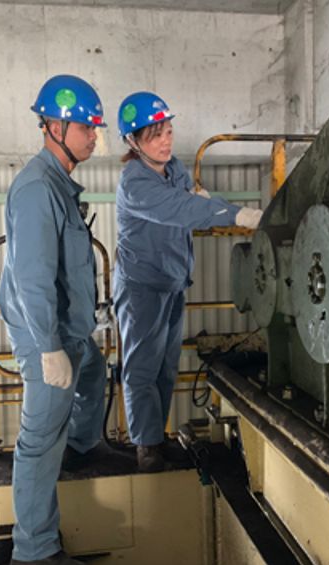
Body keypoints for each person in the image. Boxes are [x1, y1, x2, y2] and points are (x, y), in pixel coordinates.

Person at [113, 91, 263, 473]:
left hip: (172, 279)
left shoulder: (172, 168)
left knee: (165, 366)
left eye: (167, 131)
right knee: (142, 368)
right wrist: (237, 214)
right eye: (154, 136)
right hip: (142, 286)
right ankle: (146, 445)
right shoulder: (134, 183)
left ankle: (157, 437)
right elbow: (181, 208)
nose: (165, 141)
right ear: (133, 141)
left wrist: (202, 198)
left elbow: (189, 196)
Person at [0, 74, 107, 565]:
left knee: (95, 374)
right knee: (40, 438)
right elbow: (33, 277)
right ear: (55, 127)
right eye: (86, 128)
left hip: (68, 327)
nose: (94, 137)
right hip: (45, 333)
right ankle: (34, 550)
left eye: (95, 128)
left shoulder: (60, 184)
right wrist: (48, 348)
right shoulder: (38, 189)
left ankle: (82, 446)